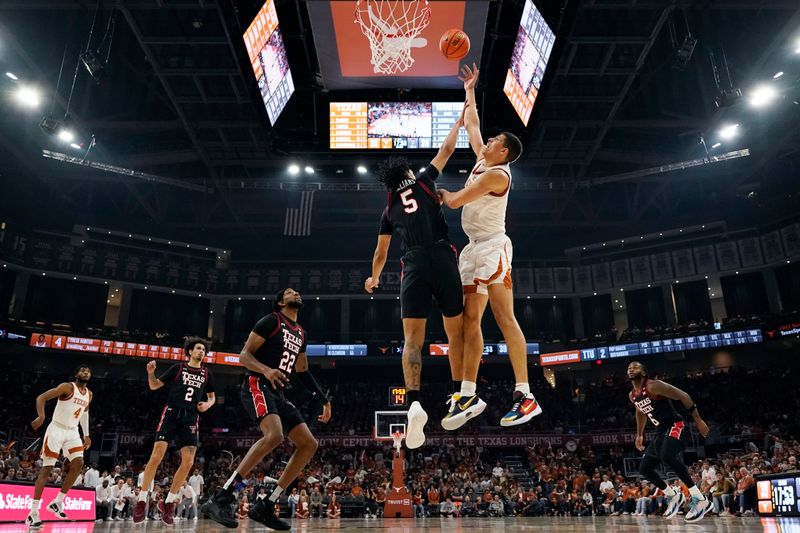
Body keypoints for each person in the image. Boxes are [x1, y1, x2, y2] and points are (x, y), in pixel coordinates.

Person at [438, 63, 542, 429]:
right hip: (473, 247)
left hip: (493, 247)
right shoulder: (486, 158)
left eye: (497, 140)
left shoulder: (497, 174)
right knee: (470, 319)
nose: (491, 139)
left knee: (503, 317)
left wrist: (426, 191)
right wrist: (469, 90)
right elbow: (472, 125)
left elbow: (455, 200)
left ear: (504, 152)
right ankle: (467, 392)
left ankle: (526, 394)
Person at [364, 111, 466, 448]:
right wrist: (459, 122)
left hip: (414, 265)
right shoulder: (423, 180)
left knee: (411, 340)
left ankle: (414, 402)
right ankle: (457, 396)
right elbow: (447, 150)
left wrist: (373, 279)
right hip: (442, 255)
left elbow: (380, 255)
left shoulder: (388, 209)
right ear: (407, 174)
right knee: (456, 332)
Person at [202, 288, 332, 531]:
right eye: (291, 292)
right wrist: (266, 370)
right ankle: (223, 496)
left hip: (278, 393)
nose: (297, 294)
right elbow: (244, 356)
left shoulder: (301, 332)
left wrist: (324, 399)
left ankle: (267, 504)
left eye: (298, 292)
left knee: (309, 444)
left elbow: (302, 371)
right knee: (274, 436)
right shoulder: (272, 320)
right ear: (281, 301)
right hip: (256, 383)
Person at [133, 337, 216, 525]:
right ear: (190, 351)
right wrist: (151, 373)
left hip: (191, 417)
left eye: (204, 349)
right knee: (156, 456)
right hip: (171, 413)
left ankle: (168, 503)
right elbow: (154, 386)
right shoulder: (178, 368)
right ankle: (141, 500)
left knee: (188, 462)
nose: (201, 351)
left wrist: (208, 404)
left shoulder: (207, 373)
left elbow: (212, 397)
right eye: (198, 348)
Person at [628, 361, 711, 522]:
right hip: (661, 431)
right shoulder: (632, 395)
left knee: (667, 456)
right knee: (644, 469)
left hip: (676, 425)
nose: (631, 369)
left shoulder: (654, 386)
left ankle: (700, 499)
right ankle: (673, 495)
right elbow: (640, 411)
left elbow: (683, 396)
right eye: (629, 368)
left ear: (644, 372)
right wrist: (639, 434)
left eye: (635, 367)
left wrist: (698, 420)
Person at [25, 365, 93, 528]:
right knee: (47, 469)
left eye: (88, 371)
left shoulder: (89, 394)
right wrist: (41, 416)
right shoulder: (67, 387)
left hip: (73, 432)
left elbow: (84, 413)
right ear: (76, 374)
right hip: (56, 428)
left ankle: (57, 502)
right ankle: (33, 513)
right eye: (82, 370)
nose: (85, 373)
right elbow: (41, 397)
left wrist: (86, 434)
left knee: (78, 464)